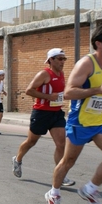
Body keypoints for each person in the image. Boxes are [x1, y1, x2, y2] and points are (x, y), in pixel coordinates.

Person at [45, 26, 102, 204]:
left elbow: (99, 92)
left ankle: (90, 189)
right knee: (68, 162)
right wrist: (98, 90)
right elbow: (68, 93)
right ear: (98, 44)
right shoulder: (86, 63)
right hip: (80, 122)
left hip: (99, 122)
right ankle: (54, 193)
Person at [12, 48, 75, 186]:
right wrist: (48, 97)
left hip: (56, 113)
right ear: (51, 60)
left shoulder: (61, 74)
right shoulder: (44, 74)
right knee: (31, 142)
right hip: (41, 113)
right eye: (59, 58)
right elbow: (29, 90)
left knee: (61, 144)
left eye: (64, 59)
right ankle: (17, 159)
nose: (62, 61)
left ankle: (61, 175)